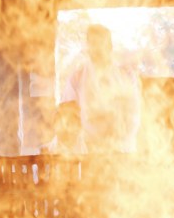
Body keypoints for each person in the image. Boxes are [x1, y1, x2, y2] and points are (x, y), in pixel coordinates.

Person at [56, 24, 141, 154]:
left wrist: (117, 134)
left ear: (110, 46)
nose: (95, 48)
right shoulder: (77, 77)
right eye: (92, 43)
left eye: (100, 43)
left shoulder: (126, 75)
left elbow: (133, 114)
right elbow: (66, 118)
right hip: (89, 152)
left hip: (122, 150)